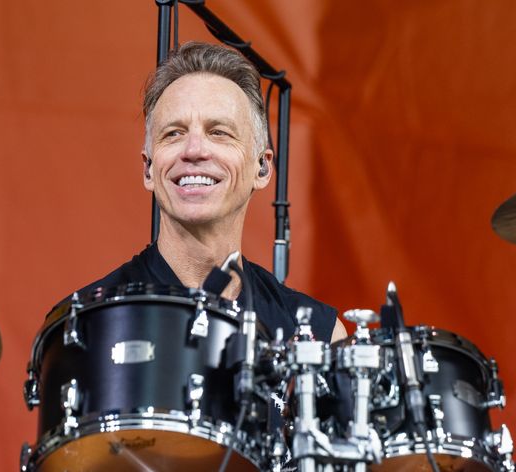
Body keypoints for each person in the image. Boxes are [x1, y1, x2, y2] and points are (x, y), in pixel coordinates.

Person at [72, 41, 346, 343]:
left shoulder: (318, 337)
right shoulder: (83, 326)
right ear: (148, 168)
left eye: (219, 132)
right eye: (173, 133)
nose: (194, 150)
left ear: (262, 168)